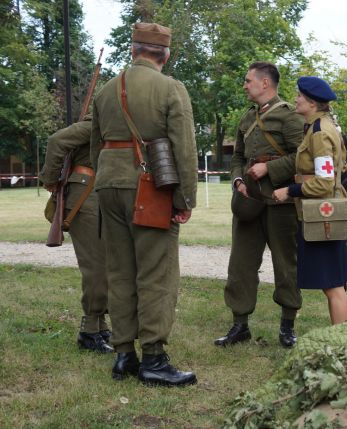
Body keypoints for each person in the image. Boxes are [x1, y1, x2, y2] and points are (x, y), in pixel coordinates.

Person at [90, 22, 198, 387]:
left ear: (133, 50)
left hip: (108, 185)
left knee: (119, 271)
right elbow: (183, 148)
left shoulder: (105, 91)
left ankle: (123, 354)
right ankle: (154, 358)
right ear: (165, 55)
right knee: (156, 273)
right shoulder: (170, 88)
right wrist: (185, 198)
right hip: (150, 188)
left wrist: (103, 184)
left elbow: (94, 146)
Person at [214, 62, 304, 348]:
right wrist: (238, 179)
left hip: (281, 202)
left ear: (265, 83)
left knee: (286, 265)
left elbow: (302, 157)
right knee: (240, 264)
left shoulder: (289, 117)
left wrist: (270, 169)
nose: (244, 85)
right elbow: (237, 157)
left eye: (248, 80)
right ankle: (240, 325)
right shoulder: (246, 117)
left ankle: (287, 326)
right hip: (249, 201)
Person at [273, 76, 347, 325]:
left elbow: (324, 181)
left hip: (323, 216)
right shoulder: (320, 126)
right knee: (333, 283)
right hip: (323, 214)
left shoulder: (319, 133)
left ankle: (341, 342)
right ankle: (341, 339)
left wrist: (291, 190)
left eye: (300, 96)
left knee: (333, 285)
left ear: (312, 103)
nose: (295, 99)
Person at [41, 115, 113, 354]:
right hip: (85, 199)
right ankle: (89, 331)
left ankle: (100, 326)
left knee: (106, 266)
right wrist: (50, 179)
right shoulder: (94, 124)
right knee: (96, 267)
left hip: (100, 197)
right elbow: (57, 141)